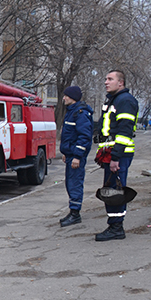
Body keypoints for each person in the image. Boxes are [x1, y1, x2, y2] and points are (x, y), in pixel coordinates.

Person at [94, 70, 138, 242]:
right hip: (111, 153)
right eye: (106, 79)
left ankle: (116, 227)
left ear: (121, 83)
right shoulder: (115, 100)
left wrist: (116, 157)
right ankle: (114, 225)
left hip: (119, 154)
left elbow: (124, 132)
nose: (106, 82)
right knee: (112, 190)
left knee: (115, 191)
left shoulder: (125, 101)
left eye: (110, 79)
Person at [59, 86, 93, 227]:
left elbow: (84, 137)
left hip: (76, 156)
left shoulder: (80, 113)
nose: (64, 98)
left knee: (75, 184)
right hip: (71, 155)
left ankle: (75, 214)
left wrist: (77, 156)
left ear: (72, 97)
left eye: (66, 96)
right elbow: (70, 136)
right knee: (70, 183)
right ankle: (73, 211)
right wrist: (67, 153)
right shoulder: (72, 112)